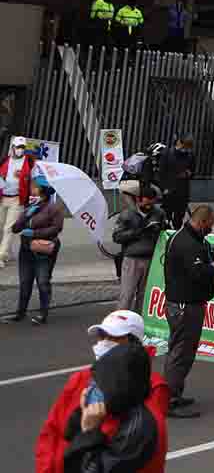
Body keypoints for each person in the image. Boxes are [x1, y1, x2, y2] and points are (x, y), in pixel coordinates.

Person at [35, 312, 169, 473]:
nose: (104, 342)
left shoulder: (152, 392)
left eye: (113, 337)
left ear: (133, 344)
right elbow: (53, 430)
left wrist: (89, 433)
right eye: (101, 336)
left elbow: (120, 459)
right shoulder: (81, 378)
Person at [163, 205, 214, 416]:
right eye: (210, 225)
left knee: (182, 351)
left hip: (184, 303)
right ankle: (169, 399)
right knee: (180, 352)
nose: (211, 230)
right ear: (202, 222)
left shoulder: (193, 239)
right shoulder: (187, 243)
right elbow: (199, 272)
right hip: (185, 305)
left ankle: (174, 393)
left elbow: (204, 257)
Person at [6, 173, 64, 324]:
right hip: (26, 249)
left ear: (44, 191)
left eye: (35, 188)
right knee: (25, 282)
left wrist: (35, 233)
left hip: (43, 249)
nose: (32, 191)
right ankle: (20, 313)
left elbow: (57, 228)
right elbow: (15, 229)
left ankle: (43, 313)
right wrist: (25, 216)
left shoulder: (54, 208)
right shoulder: (29, 207)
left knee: (43, 281)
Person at [112, 185, 165, 313]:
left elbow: (164, 233)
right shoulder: (127, 215)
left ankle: (139, 323)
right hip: (132, 259)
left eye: (152, 204)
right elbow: (117, 237)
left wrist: (157, 231)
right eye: (146, 203)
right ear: (138, 200)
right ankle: (120, 323)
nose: (149, 206)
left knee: (144, 295)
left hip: (151, 258)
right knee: (127, 294)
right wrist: (137, 232)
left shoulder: (159, 213)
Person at [0, 135, 37, 269]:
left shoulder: (29, 162)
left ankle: (1, 256)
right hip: (2, 197)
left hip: (17, 199)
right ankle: (7, 251)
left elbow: (33, 178)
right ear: (13, 148)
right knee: (1, 227)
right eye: (18, 147)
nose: (20, 150)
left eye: (23, 147)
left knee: (8, 228)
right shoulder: (5, 160)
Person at [158, 138, 194, 231]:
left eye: (188, 148)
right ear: (179, 143)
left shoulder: (189, 155)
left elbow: (192, 170)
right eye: (184, 146)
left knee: (179, 216)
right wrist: (164, 188)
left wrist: (188, 173)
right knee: (167, 215)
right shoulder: (167, 154)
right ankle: (166, 231)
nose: (186, 149)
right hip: (169, 189)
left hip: (183, 190)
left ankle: (176, 233)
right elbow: (161, 172)